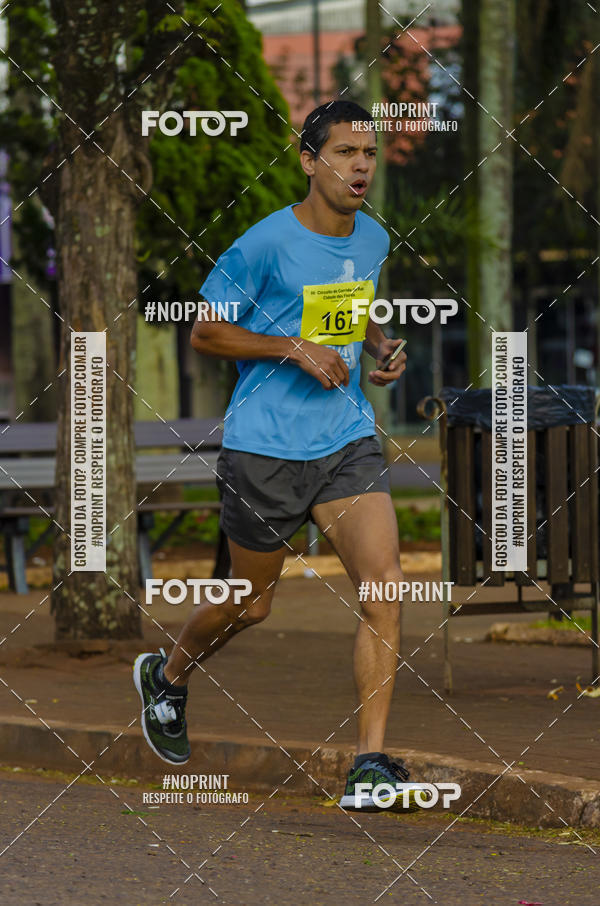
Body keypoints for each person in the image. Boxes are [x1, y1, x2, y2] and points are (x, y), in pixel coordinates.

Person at [134, 100, 427, 810]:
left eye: (368, 152)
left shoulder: (373, 239)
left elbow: (348, 304)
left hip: (345, 440)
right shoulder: (264, 243)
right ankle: (167, 676)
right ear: (308, 160)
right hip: (264, 448)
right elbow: (206, 333)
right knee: (252, 602)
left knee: (383, 586)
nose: (360, 165)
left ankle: (369, 763)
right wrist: (292, 348)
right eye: (345, 151)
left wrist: (376, 347)